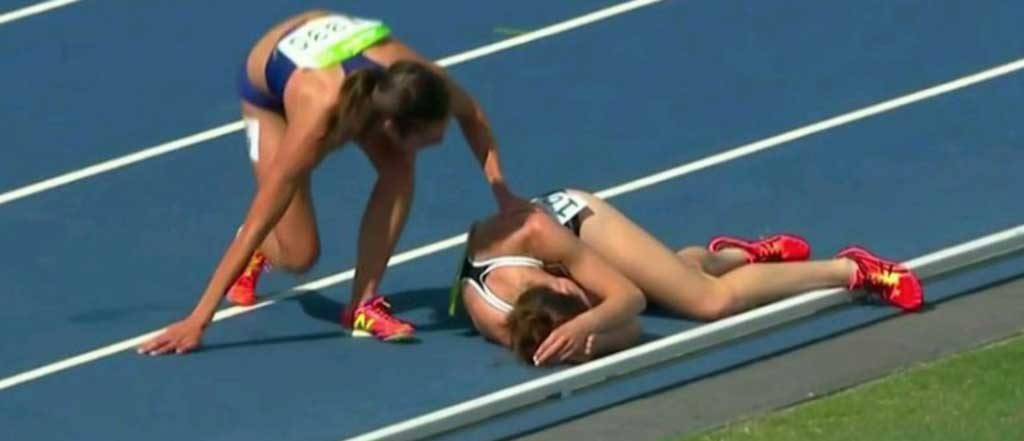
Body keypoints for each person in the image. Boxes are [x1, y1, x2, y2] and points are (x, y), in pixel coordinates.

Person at [139, 10, 527, 356]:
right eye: (428, 139)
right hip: (268, 85)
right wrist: (198, 320)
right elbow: (260, 217)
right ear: (389, 125)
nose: (437, 143)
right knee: (299, 255)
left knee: (400, 167)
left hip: (328, 45)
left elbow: (472, 115)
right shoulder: (318, 122)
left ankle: (362, 305)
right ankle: (265, 251)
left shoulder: (420, 81)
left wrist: (501, 191)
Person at [450, 189, 923, 365]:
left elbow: (629, 299)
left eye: (580, 292)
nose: (588, 295)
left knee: (707, 302)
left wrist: (589, 321)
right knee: (672, 281)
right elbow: (630, 327)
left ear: (557, 282)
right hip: (554, 289)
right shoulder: (502, 322)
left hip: (574, 222)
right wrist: (590, 341)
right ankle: (735, 255)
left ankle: (851, 268)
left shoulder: (538, 235)